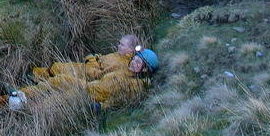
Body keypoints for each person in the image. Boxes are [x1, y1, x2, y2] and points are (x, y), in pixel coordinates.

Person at [8, 35, 159, 111]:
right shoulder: (125, 69)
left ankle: (25, 110)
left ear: (145, 69)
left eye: (138, 62)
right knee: (58, 80)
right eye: (135, 60)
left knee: (56, 101)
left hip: (89, 96)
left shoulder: (136, 85)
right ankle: (19, 94)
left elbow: (119, 100)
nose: (134, 62)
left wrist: (101, 106)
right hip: (87, 86)